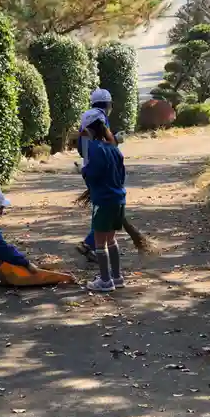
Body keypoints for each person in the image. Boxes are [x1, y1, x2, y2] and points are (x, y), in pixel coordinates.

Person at [82, 118, 126, 292]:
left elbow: (93, 173)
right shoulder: (113, 148)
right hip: (118, 198)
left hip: (103, 199)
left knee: (100, 243)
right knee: (111, 239)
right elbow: (122, 173)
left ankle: (105, 281)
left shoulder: (95, 148)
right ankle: (117, 276)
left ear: (89, 130)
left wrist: (83, 171)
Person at [76, 89, 118, 259]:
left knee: (100, 207)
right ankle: (91, 243)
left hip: (89, 168)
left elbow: (80, 147)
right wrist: (116, 140)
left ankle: (93, 244)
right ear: (108, 104)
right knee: (103, 209)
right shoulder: (100, 119)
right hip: (99, 170)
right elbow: (108, 144)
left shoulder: (86, 118)